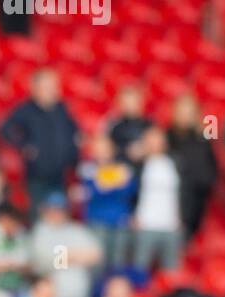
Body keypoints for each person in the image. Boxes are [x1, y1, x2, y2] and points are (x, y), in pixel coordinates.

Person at [1, 69, 79, 212]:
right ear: (36, 89)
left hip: (60, 175)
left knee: (59, 218)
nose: (53, 90)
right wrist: (24, 146)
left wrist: (72, 156)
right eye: (48, 87)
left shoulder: (62, 108)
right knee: (38, 216)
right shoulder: (26, 110)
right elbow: (6, 129)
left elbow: (73, 133)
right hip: (37, 176)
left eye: (54, 86)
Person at [28, 191, 101, 297]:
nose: (56, 213)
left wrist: (66, 255)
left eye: (60, 209)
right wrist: (75, 255)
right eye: (53, 209)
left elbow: (96, 256)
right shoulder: (40, 232)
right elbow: (47, 261)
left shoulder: (78, 230)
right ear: (45, 210)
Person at [78, 133, 135, 272]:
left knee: (118, 263)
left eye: (105, 149)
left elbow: (129, 190)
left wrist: (104, 185)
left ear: (112, 150)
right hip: (97, 221)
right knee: (97, 263)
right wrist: (116, 182)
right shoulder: (87, 169)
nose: (101, 153)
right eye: (98, 149)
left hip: (120, 221)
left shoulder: (123, 168)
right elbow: (93, 190)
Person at [129, 127, 183, 274]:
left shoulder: (175, 162)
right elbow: (127, 190)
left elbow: (185, 192)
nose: (154, 144)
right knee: (140, 269)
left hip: (171, 225)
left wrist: (182, 217)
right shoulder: (137, 165)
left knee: (171, 271)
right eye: (149, 141)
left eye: (157, 140)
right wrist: (132, 214)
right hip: (145, 224)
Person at [166, 93, 217, 240]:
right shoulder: (165, 137)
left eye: (189, 113)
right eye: (181, 112)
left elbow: (210, 170)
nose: (184, 117)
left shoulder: (203, 140)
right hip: (168, 206)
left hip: (193, 205)